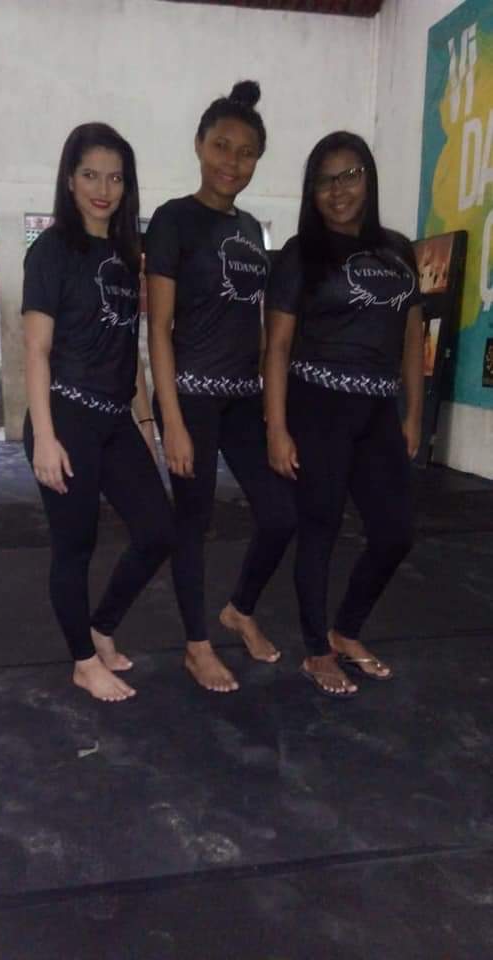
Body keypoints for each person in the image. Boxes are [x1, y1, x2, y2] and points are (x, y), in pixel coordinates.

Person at [146, 81, 295, 694]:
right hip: (190, 394)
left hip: (242, 396)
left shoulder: (253, 229)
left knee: (281, 514)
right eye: (221, 146)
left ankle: (240, 610)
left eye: (247, 151)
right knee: (194, 521)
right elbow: (158, 327)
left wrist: (269, 408)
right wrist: (173, 422)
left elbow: (256, 321)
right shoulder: (173, 220)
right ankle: (197, 646)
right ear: (199, 145)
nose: (232, 161)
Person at [264, 131, 424, 698]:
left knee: (395, 532)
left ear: (368, 178)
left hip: (378, 409)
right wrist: (277, 427)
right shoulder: (300, 254)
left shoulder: (398, 250)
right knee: (321, 527)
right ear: (312, 190)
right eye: (325, 180)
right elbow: (277, 346)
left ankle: (346, 630)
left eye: (349, 175)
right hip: (318, 403)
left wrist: (413, 414)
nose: (338, 190)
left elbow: (412, 336)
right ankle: (316, 650)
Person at [22, 122, 174, 702]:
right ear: (69, 179)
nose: (102, 189)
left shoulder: (127, 254)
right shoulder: (51, 251)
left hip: (114, 419)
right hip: (65, 417)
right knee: (75, 546)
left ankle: (101, 626)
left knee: (157, 530)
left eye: (114, 177)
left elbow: (128, 348)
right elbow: (36, 350)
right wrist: (44, 437)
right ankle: (83, 662)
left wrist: (146, 423)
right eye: (90, 174)